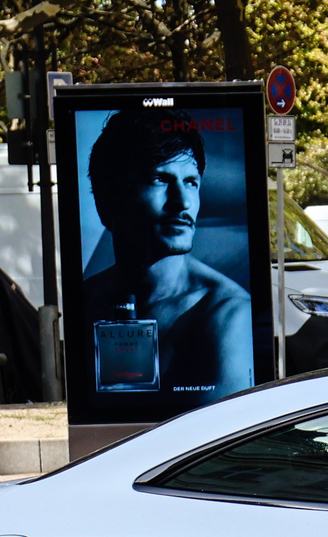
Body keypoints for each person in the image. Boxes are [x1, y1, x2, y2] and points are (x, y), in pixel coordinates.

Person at [78, 108, 254, 400]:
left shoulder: (227, 314)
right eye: (160, 179)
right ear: (109, 201)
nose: (182, 202)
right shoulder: (87, 301)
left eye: (191, 182)